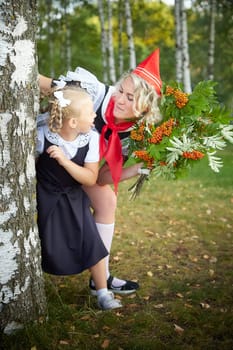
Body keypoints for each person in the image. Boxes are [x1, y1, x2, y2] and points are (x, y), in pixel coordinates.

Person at [39, 48, 162, 296]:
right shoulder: (93, 93)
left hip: (75, 166)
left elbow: (102, 177)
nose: (120, 100)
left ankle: (100, 277)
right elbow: (42, 83)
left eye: (131, 98)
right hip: (44, 151)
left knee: (107, 199)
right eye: (121, 91)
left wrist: (136, 169)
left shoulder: (134, 134)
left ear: (145, 108)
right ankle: (101, 276)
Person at [36, 85, 122, 310]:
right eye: (91, 112)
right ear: (73, 122)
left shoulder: (90, 139)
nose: (96, 115)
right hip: (46, 198)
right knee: (41, 241)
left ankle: (102, 292)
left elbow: (90, 178)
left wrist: (64, 160)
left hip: (75, 198)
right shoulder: (41, 134)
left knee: (92, 240)